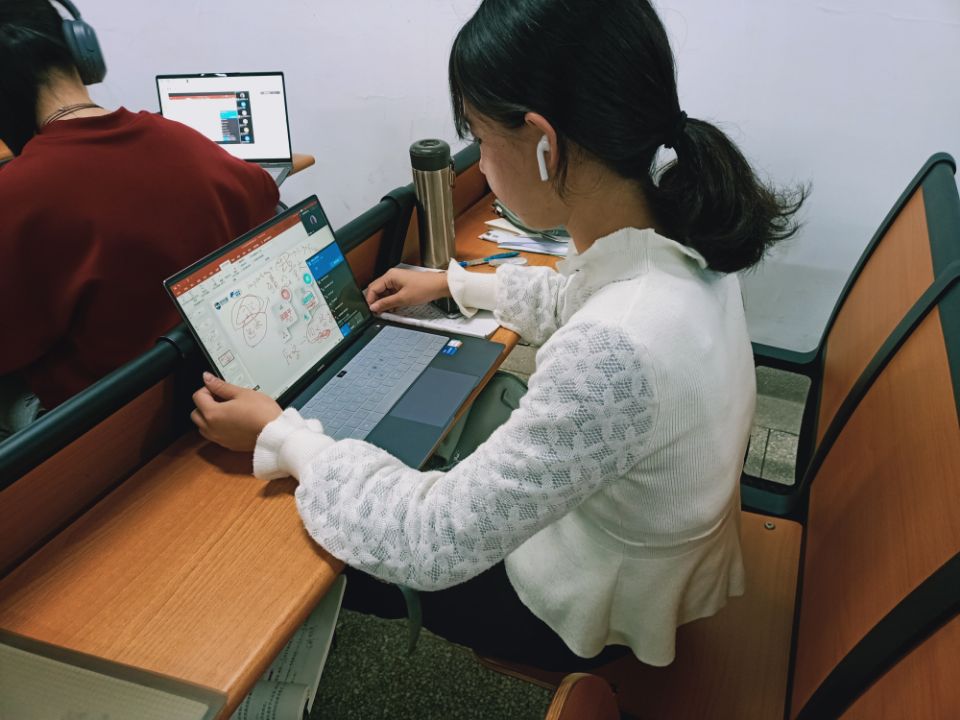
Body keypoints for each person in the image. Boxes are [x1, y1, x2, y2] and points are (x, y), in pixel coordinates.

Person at [190, 0, 805, 670]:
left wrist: (283, 435)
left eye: (481, 139)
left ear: (544, 144)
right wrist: (455, 284)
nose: (480, 164)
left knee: (315, 537)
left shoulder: (612, 350)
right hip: (660, 554)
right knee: (430, 441)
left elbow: (429, 541)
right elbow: (576, 295)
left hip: (599, 608)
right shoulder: (684, 234)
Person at [0, 0, 279, 430]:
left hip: (107, 425)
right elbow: (265, 196)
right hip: (218, 387)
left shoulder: (17, 194)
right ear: (82, 54)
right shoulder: (184, 139)